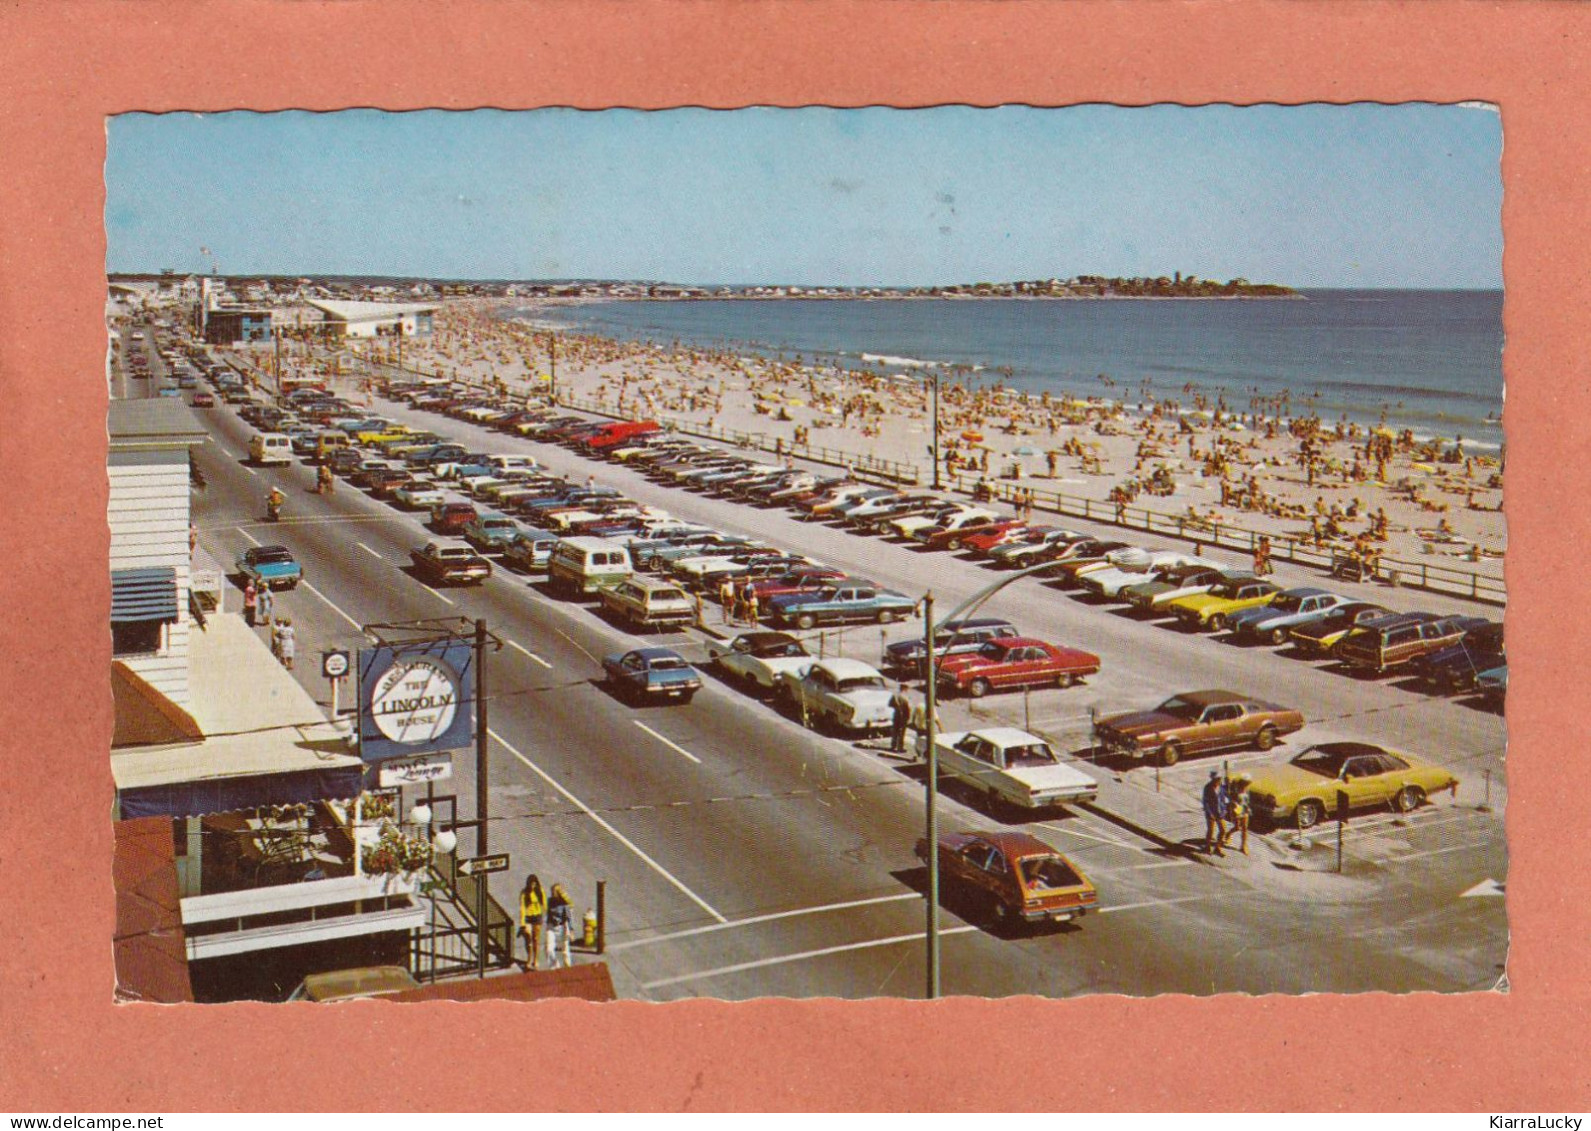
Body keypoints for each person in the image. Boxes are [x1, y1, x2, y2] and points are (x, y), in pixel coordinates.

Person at [518, 874, 546, 970]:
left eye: (534, 884)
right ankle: (529, 958)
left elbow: (544, 903)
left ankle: (536, 959)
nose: (532, 886)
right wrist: (522, 923)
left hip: (537, 916)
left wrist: (546, 914)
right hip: (528, 918)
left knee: (535, 939)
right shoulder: (524, 893)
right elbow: (522, 907)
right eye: (531, 884)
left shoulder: (539, 891)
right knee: (528, 939)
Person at [545, 883, 573, 969]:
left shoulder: (565, 904)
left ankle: (567, 966)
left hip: (562, 926)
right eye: (552, 891)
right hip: (551, 926)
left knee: (565, 950)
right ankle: (554, 966)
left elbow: (569, 917)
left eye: (555, 892)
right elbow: (548, 913)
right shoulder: (549, 901)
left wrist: (571, 930)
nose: (553, 893)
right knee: (549, 949)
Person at [1202, 770, 1228, 857]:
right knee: (1211, 830)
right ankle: (1207, 847)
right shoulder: (1208, 787)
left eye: (1220, 779)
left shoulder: (1221, 787)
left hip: (1220, 812)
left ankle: (1217, 848)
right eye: (1217, 779)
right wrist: (1209, 813)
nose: (1219, 780)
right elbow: (1205, 802)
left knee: (1223, 830)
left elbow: (1223, 798)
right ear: (1213, 779)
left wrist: (1224, 809)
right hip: (1211, 812)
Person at [1224, 775, 1252, 855]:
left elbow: (1247, 801)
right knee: (1237, 827)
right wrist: (1235, 807)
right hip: (1237, 811)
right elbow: (1232, 801)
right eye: (1246, 784)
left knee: (1245, 829)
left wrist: (1248, 808)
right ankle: (1228, 834)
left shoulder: (1247, 791)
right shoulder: (1236, 791)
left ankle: (1243, 846)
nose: (1247, 786)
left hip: (1244, 810)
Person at [889, 683, 912, 754]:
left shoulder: (895, 696)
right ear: (905, 688)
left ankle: (893, 746)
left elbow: (890, 704)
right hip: (903, 717)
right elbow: (909, 709)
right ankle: (900, 747)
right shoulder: (906, 698)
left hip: (896, 715)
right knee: (901, 732)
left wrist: (897, 707)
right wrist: (909, 718)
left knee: (895, 731)